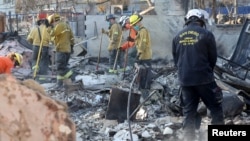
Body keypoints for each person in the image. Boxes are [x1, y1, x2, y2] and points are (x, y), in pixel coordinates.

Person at [172, 9, 224, 141]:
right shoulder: (206, 34)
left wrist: (184, 73)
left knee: (189, 112)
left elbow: (176, 59)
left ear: (187, 20)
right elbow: (213, 58)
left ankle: (188, 138)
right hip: (204, 78)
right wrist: (207, 73)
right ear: (201, 20)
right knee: (215, 108)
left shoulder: (177, 36)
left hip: (185, 80)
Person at [47, 13, 76, 88]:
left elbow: (52, 34)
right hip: (67, 49)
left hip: (61, 49)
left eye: (52, 23)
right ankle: (59, 84)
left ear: (53, 21)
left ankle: (73, 76)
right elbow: (72, 38)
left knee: (60, 67)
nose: (52, 25)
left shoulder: (59, 26)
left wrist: (49, 28)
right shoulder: (67, 25)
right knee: (62, 67)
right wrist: (71, 47)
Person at [129, 14, 152, 99]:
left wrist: (138, 54)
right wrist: (132, 40)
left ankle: (146, 97)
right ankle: (142, 94)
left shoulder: (143, 31)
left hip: (145, 57)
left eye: (134, 25)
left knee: (145, 79)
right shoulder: (140, 31)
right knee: (141, 77)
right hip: (142, 56)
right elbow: (138, 42)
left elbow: (142, 44)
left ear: (138, 22)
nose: (134, 27)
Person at [27, 12, 51, 83]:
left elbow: (29, 39)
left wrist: (33, 42)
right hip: (45, 47)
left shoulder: (35, 29)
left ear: (39, 21)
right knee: (44, 61)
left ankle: (35, 74)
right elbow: (51, 39)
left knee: (35, 60)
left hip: (36, 47)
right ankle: (42, 78)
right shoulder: (48, 29)